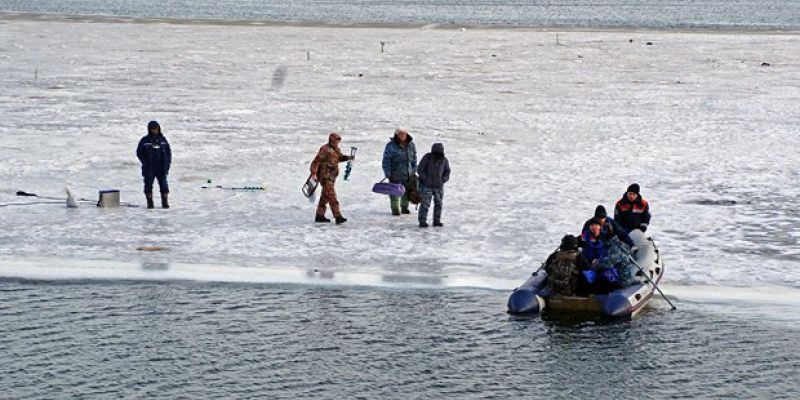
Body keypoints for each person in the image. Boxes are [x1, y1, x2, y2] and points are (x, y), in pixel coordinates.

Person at [310, 132, 354, 224]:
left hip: (332, 177)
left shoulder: (336, 149)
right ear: (332, 140)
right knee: (332, 196)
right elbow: (316, 162)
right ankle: (338, 216)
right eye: (336, 141)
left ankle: (319, 215)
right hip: (325, 177)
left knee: (325, 196)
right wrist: (313, 173)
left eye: (338, 141)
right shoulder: (324, 149)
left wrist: (348, 158)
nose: (337, 143)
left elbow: (339, 158)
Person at [381, 128, 417, 215]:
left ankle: (404, 207)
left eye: (405, 133)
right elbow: (386, 160)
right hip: (395, 174)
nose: (403, 135)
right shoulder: (391, 146)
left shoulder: (411, 144)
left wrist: (414, 169)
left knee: (406, 191)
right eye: (401, 133)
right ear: (397, 134)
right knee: (395, 193)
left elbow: (414, 158)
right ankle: (395, 209)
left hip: (408, 173)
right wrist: (388, 173)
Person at [136, 121, 171, 209]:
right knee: (148, 185)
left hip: (161, 167)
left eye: (156, 129)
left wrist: (167, 164)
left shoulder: (163, 140)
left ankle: (165, 202)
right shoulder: (145, 140)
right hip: (149, 168)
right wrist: (145, 162)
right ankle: (150, 202)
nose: (154, 131)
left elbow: (168, 152)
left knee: (164, 185)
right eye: (153, 129)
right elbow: (139, 153)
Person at [416, 143, 450, 228]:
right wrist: (425, 179)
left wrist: (444, 179)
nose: (437, 154)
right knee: (425, 204)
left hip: (439, 186)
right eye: (436, 152)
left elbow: (447, 171)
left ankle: (436, 221)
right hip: (427, 186)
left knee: (439, 204)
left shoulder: (444, 160)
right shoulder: (427, 157)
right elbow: (420, 169)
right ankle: (422, 221)